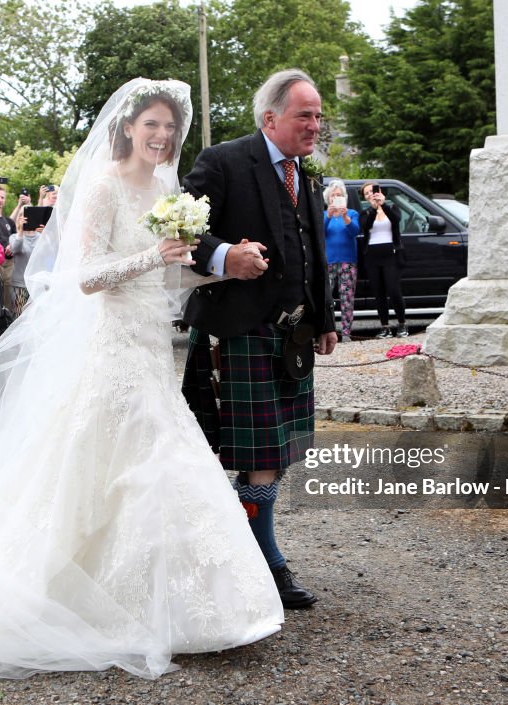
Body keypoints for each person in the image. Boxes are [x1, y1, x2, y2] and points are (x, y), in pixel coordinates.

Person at [0, 78, 283, 680]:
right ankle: (79, 598)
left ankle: (182, 607)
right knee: (117, 460)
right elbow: (83, 277)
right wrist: (152, 255)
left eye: (170, 128)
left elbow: (166, 280)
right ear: (128, 127)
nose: (161, 137)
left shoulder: (166, 187)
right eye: (151, 125)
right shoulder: (105, 185)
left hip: (152, 347)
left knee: (158, 463)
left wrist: (223, 272)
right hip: (110, 346)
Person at [180, 69, 338, 610]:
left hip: (291, 336)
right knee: (253, 454)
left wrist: (325, 318)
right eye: (305, 115)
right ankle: (264, 563)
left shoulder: (306, 175)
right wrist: (226, 256)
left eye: (318, 115)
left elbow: (313, 252)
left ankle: (255, 557)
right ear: (270, 119)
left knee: (271, 455)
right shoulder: (223, 162)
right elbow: (179, 234)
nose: (315, 124)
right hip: (238, 330)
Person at [358, 181, 407, 338]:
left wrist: (383, 205)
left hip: (391, 255)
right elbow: (365, 226)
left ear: (380, 192)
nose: (371, 195)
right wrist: (373, 210)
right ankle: (384, 327)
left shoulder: (391, 208)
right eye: (367, 194)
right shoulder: (365, 213)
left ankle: (402, 324)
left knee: (393, 290)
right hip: (372, 256)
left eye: (373, 191)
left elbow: (396, 220)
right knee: (378, 293)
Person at [323, 179, 361, 342]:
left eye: (339, 195)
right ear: (328, 198)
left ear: (344, 198)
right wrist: (329, 216)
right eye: (333, 195)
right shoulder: (324, 214)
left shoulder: (352, 214)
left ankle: (346, 333)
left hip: (348, 261)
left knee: (347, 299)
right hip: (328, 262)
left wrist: (345, 216)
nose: (336, 198)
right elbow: (320, 233)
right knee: (326, 299)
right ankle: (326, 330)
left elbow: (355, 232)